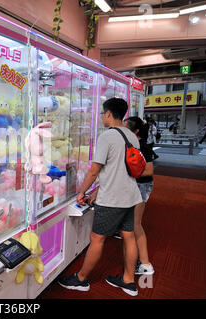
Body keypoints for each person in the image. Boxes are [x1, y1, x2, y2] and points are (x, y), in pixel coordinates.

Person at [57, 98, 142, 296]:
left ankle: (81, 279)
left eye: (103, 113)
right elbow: (120, 169)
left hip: (112, 199)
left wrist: (82, 192)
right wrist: (96, 191)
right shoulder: (132, 135)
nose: (102, 117)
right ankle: (128, 280)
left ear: (110, 114)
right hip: (131, 195)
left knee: (97, 238)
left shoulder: (107, 137)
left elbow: (94, 170)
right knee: (129, 236)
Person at [124, 117, 155, 276]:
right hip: (139, 187)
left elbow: (149, 171)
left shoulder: (142, 147)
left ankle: (145, 263)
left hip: (141, 187)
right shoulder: (134, 145)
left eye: (126, 128)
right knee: (134, 225)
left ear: (135, 131)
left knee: (136, 225)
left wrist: (128, 172)